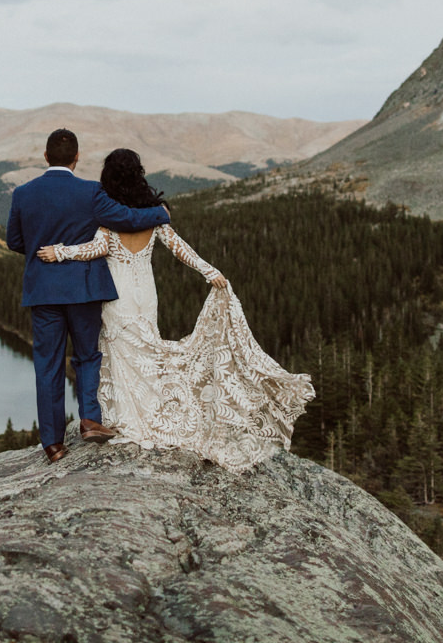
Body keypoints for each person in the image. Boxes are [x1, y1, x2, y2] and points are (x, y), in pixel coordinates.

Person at [37, 148, 313, 472]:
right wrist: (210, 271)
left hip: (118, 297)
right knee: (149, 353)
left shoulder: (109, 220)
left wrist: (60, 252)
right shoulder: (154, 215)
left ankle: (127, 419)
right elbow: (181, 249)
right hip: (146, 295)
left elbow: (94, 249)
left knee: (122, 355)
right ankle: (155, 412)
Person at [6, 129, 170, 464]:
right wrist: (161, 214)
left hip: (43, 292)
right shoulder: (90, 192)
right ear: (76, 158)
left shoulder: (23, 194)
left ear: (46, 157)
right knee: (87, 357)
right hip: (84, 290)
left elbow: (14, 241)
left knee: (48, 365)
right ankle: (90, 421)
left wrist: (40, 247)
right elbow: (127, 218)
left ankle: (52, 444)